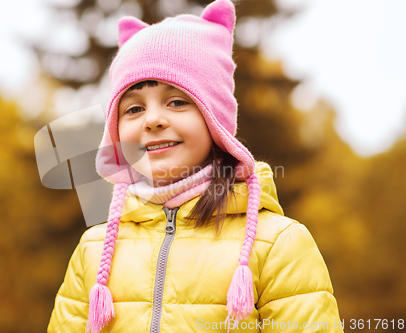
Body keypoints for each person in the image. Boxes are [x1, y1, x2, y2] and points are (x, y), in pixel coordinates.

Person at [47, 0, 343, 332]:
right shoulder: (95, 249)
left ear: (215, 118)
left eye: (177, 102)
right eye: (133, 109)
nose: (153, 120)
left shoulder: (277, 244)